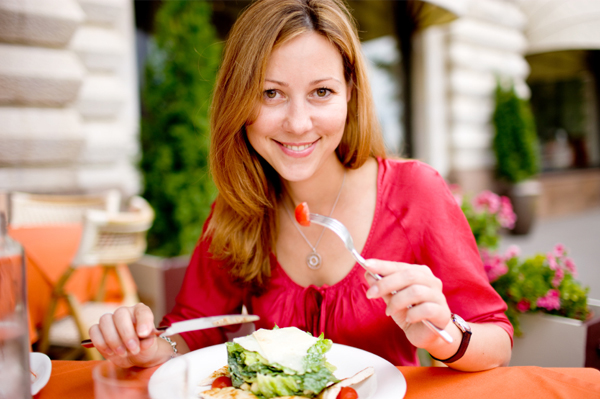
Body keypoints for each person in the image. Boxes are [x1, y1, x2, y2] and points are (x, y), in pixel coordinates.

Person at [88, 0, 513, 372]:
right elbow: (193, 330)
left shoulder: (414, 191)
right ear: (240, 102)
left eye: (321, 92)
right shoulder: (237, 208)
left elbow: (497, 340)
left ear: (350, 92)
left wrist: (446, 336)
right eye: (271, 93)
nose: (297, 123)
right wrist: (149, 346)